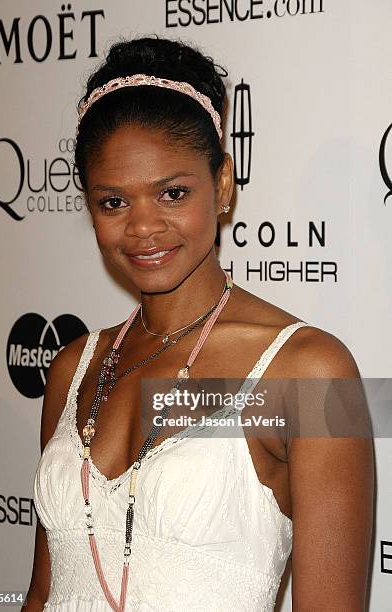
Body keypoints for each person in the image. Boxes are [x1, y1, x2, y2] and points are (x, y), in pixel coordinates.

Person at [24, 37, 374, 611]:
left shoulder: (309, 372)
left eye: (173, 193)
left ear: (224, 185)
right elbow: (43, 591)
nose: (143, 227)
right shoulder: (73, 367)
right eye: (113, 202)